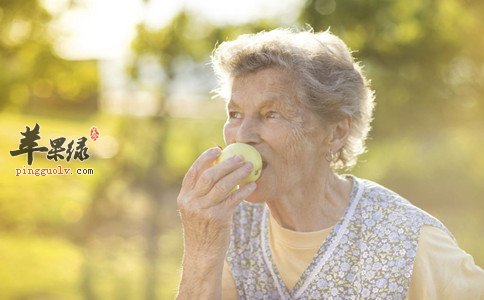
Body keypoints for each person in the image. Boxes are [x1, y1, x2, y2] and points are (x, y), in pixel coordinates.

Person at [175, 28, 484, 299]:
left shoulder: (409, 240)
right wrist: (202, 249)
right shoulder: (229, 225)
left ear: (336, 132)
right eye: (235, 114)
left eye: (271, 114)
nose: (242, 135)